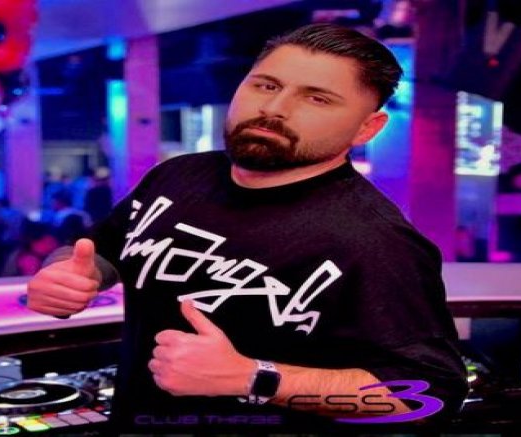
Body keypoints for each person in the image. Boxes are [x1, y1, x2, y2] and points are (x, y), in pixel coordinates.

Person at [27, 23, 468, 432]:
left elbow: (431, 395)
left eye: (317, 98)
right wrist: (69, 275)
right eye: (267, 85)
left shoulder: (375, 240)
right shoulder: (177, 176)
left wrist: (256, 378)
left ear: (366, 128)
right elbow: (103, 251)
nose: (274, 109)